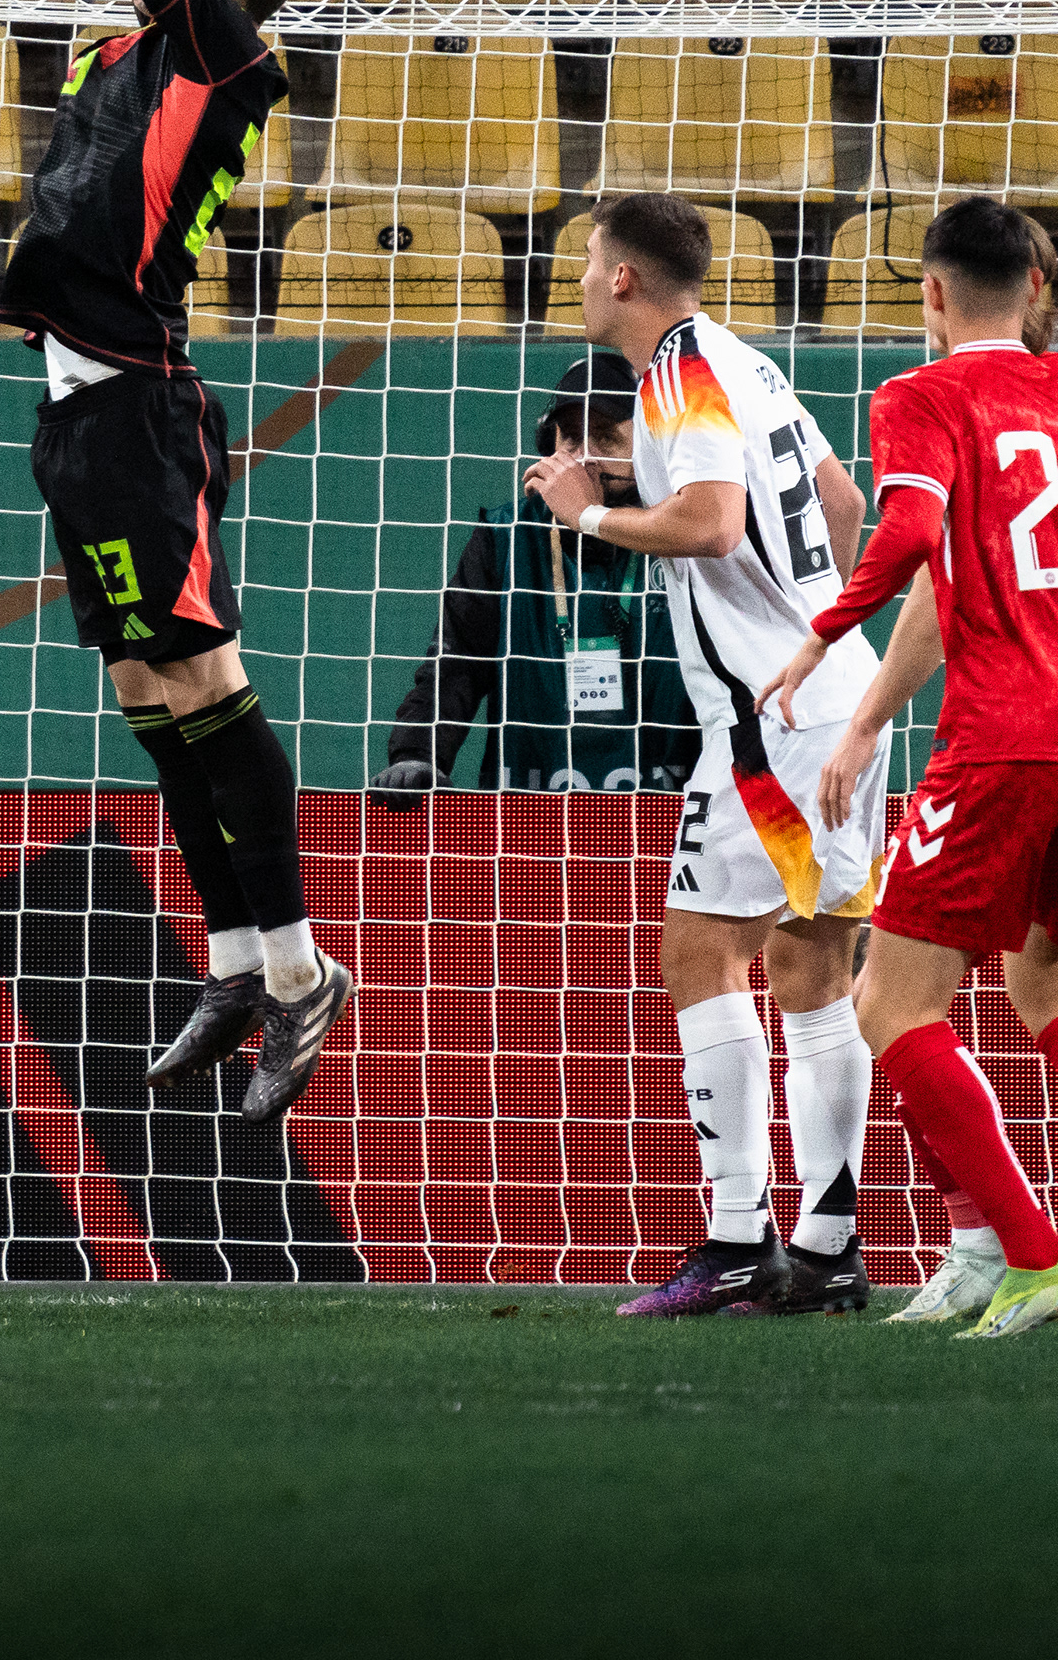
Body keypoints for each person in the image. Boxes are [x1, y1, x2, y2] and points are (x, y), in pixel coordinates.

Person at [0, 0, 352, 1126]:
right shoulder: (152, 54)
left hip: (143, 401)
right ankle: (233, 962)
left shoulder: (224, 52)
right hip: (81, 406)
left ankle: (302, 971)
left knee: (207, 682)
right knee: (147, 687)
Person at [524, 193, 888, 1317]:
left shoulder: (673, 377)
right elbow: (840, 495)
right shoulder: (748, 361)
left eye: (589, 260)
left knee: (702, 955)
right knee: (810, 970)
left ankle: (739, 1235)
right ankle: (822, 1253)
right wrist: (811, 613)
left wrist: (589, 513)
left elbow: (716, 523)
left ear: (626, 278)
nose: (581, 278)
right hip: (838, 692)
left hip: (772, 726)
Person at [760, 196, 1058, 1339]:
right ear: (1035, 287)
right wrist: (872, 720)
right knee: (1040, 982)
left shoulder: (922, 398)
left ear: (929, 295)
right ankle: (987, 1253)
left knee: (888, 998)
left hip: (1003, 741)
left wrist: (822, 638)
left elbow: (903, 541)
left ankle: (1029, 1253)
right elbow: (948, 583)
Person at [370, 352, 699, 802]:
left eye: (604, 437)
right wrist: (418, 753)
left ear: (650, 448)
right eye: (569, 439)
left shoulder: (689, 533)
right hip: (529, 820)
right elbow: (457, 663)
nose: (582, 459)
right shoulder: (505, 538)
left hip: (669, 814)